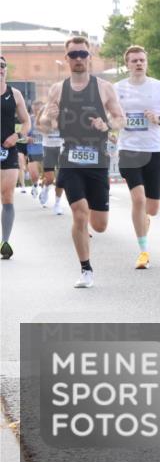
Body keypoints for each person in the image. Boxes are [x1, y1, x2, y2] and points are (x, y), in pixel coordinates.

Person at [39, 37, 125, 287]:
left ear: (90, 57)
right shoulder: (57, 89)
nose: (78, 58)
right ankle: (86, 270)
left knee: (99, 225)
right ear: (66, 58)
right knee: (79, 213)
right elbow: (45, 127)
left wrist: (107, 124)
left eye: (83, 54)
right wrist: (48, 117)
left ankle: (89, 224)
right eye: (74, 54)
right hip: (70, 158)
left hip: (97, 159)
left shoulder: (104, 88)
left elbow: (121, 119)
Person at [115, 46, 160, 269]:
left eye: (142, 60)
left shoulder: (159, 87)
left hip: (153, 150)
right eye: (134, 60)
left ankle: (144, 223)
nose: (138, 64)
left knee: (152, 209)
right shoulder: (118, 89)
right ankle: (143, 251)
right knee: (138, 199)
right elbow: (108, 117)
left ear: (147, 63)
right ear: (127, 64)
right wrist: (117, 122)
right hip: (128, 151)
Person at [1, 56, 33, 259]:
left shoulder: (15, 94)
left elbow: (27, 122)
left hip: (8, 149)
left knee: (7, 195)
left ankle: (5, 242)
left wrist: (18, 135)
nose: (0, 69)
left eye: (2, 66)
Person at [39, 93, 66, 214]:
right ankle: (45, 189)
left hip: (62, 147)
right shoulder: (44, 110)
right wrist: (48, 124)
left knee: (61, 178)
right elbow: (38, 126)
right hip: (48, 146)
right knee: (50, 178)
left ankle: (57, 203)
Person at [26, 101, 45, 196]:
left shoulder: (49, 120)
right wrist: (27, 138)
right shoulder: (29, 120)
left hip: (48, 150)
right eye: (36, 110)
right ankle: (34, 185)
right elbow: (20, 137)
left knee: (49, 176)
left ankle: (44, 190)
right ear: (33, 110)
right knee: (34, 175)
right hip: (33, 150)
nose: (38, 111)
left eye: (40, 109)